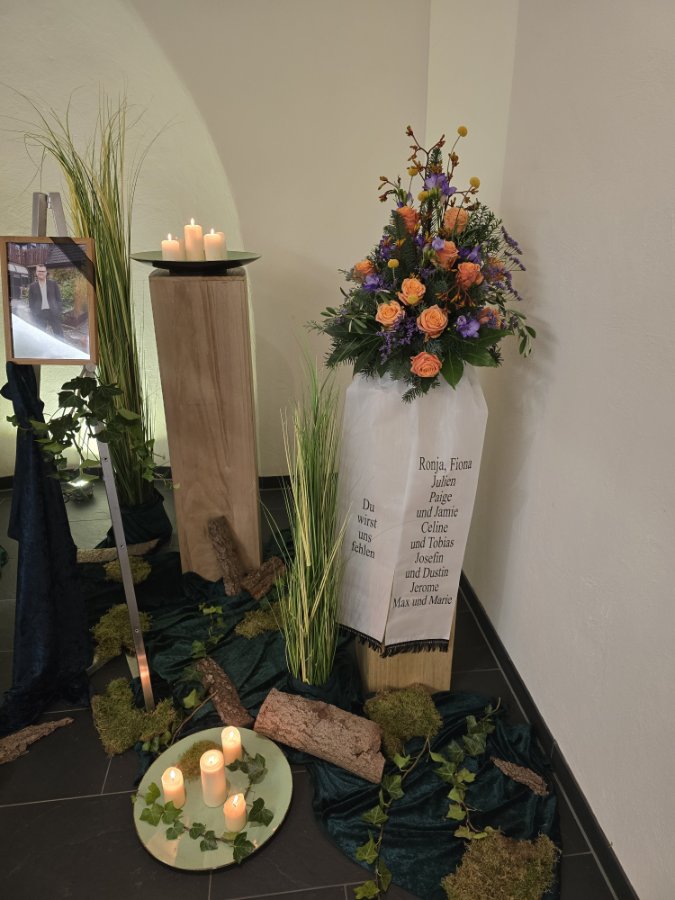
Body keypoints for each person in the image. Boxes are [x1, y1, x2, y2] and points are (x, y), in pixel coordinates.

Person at [27, 264, 63, 337]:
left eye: (43, 271)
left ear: (46, 272)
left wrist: (58, 310)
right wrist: (34, 313)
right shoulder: (32, 286)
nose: (41, 273)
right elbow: (31, 302)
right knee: (40, 335)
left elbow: (58, 298)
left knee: (59, 335)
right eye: (39, 271)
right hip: (39, 314)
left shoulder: (53, 284)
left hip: (53, 312)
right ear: (36, 272)